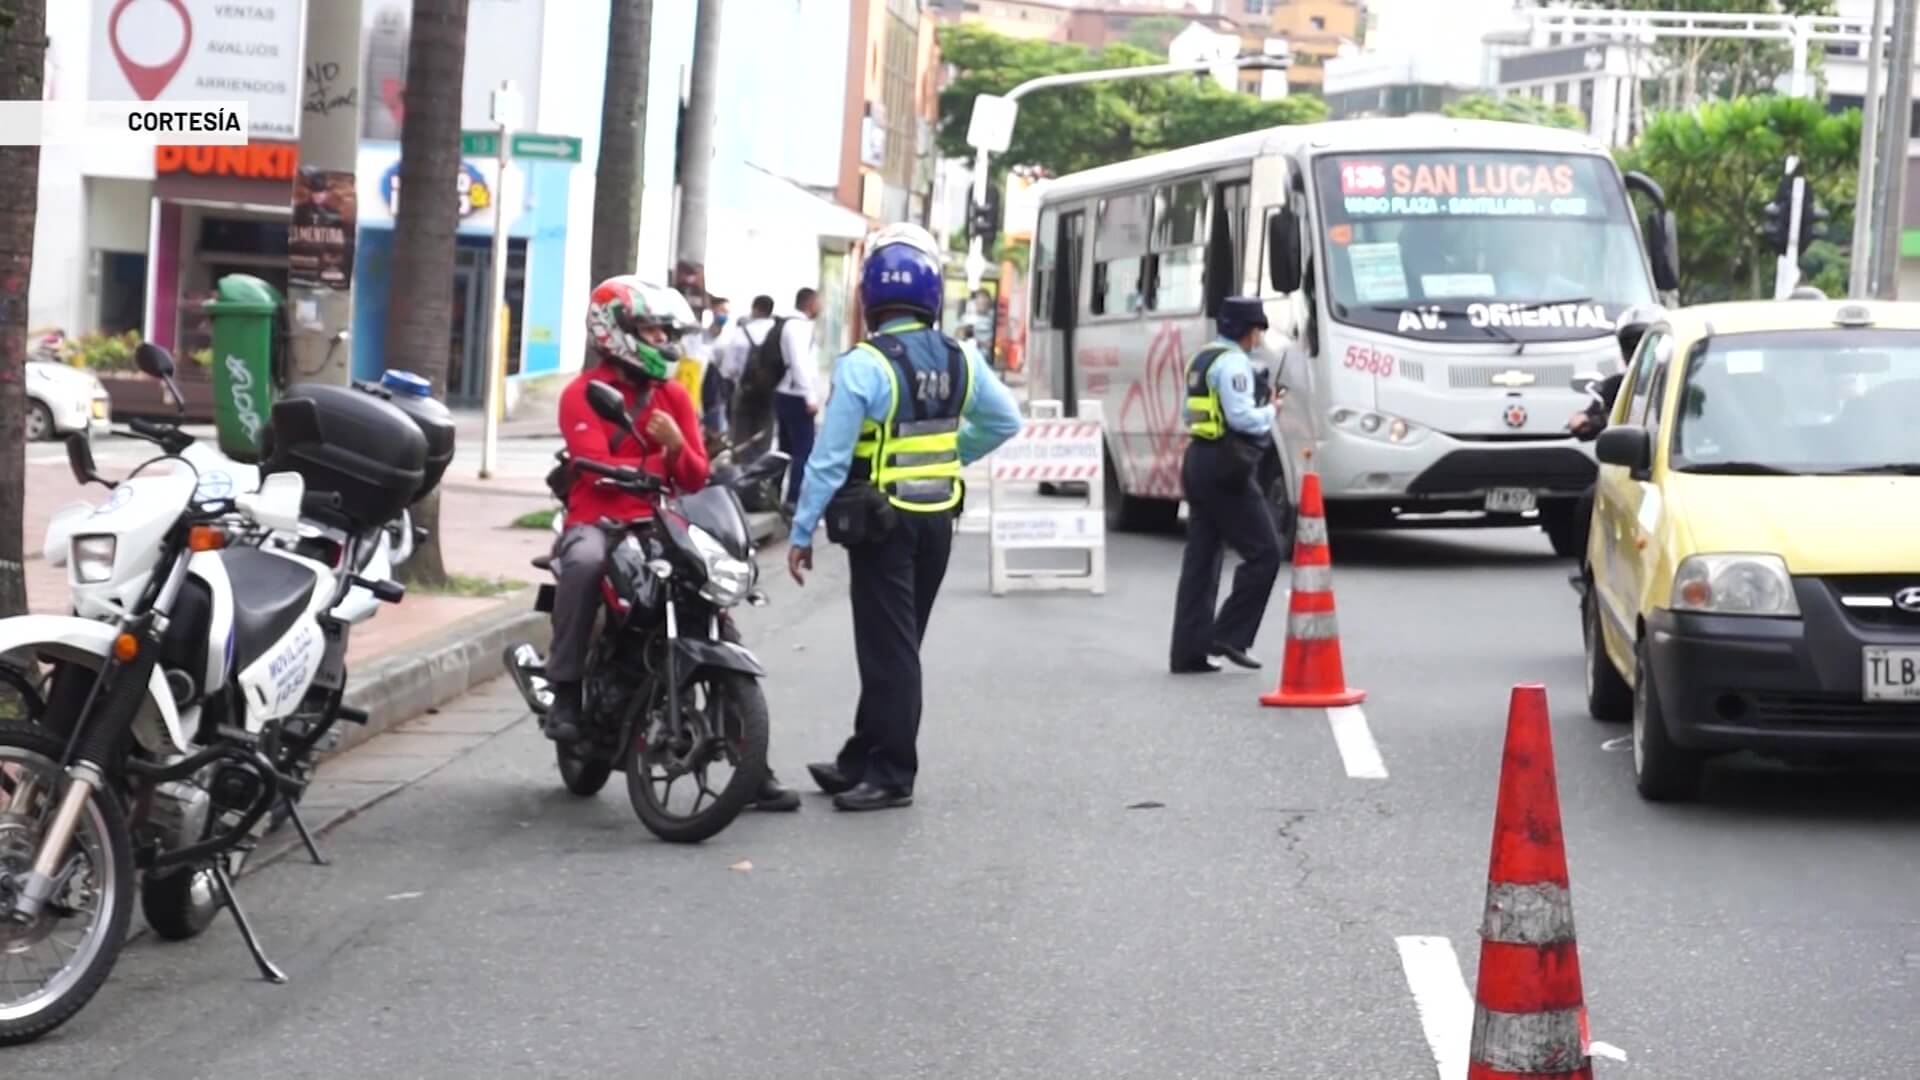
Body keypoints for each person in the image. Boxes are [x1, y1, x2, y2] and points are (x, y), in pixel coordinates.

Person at [785, 223, 1022, 811]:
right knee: (898, 646)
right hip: (937, 520)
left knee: (888, 650)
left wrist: (801, 530)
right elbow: (1004, 421)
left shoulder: (865, 365)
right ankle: (860, 757)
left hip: (882, 524)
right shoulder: (960, 355)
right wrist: (951, 456)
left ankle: (892, 773)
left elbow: (829, 459)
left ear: (869, 298)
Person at [547, 275, 798, 811]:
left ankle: (750, 760)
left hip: (662, 522)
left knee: (714, 609)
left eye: (664, 329)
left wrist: (678, 444)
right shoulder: (581, 395)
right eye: (650, 329)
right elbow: (591, 466)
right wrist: (643, 461)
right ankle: (565, 689)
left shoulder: (675, 397)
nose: (662, 339)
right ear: (615, 332)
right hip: (601, 521)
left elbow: (694, 476)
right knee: (585, 563)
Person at [1169, 297, 1284, 675]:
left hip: (1198, 459)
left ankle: (1189, 652)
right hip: (1226, 464)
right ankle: (1229, 635)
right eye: (1258, 330)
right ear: (1248, 330)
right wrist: (1271, 410)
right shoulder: (1235, 363)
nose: (1259, 338)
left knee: (1201, 559)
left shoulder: (1201, 358)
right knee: (1265, 551)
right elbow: (1243, 418)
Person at [1565, 304, 1663, 565]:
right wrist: (1586, 421)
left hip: (1663, 474)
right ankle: (1591, 576)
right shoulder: (1616, 387)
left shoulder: (1677, 383)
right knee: (1588, 504)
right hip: (1624, 475)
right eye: (1631, 345)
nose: (1637, 352)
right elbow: (1591, 417)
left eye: (1644, 343)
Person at [774, 288, 823, 514]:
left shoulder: (790, 324)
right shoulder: (798, 327)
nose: (820, 307)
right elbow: (800, 363)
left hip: (786, 393)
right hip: (796, 396)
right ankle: (793, 499)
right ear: (810, 303)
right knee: (802, 450)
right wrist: (810, 396)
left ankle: (774, 493)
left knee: (786, 449)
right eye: (818, 302)